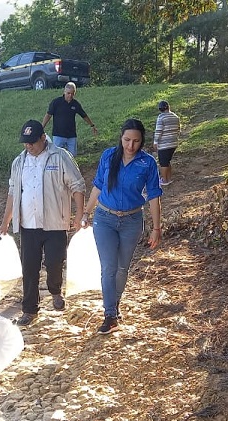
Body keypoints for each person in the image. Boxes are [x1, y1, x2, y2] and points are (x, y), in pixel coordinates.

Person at [0, 120, 86, 326]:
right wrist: (5, 222)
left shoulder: (61, 157)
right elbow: (13, 193)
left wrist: (79, 213)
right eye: (25, 143)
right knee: (29, 268)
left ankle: (55, 290)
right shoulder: (19, 162)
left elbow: (77, 185)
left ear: (43, 138)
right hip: (28, 225)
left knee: (55, 262)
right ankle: (29, 309)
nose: (28, 146)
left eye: (32, 142)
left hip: (56, 223)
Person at [82, 118, 163, 335]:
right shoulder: (109, 156)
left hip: (132, 221)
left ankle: (115, 303)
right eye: (127, 140)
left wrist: (156, 228)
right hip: (104, 218)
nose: (130, 146)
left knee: (122, 268)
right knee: (108, 267)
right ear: (121, 137)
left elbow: (154, 196)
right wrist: (85, 212)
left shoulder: (147, 163)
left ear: (141, 141)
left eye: (136, 141)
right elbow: (98, 186)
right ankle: (109, 314)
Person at [41, 82, 97, 157]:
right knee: (56, 156)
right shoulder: (56, 102)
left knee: (72, 156)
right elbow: (48, 115)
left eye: (72, 93)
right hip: (58, 134)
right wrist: (41, 128)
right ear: (64, 92)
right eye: (68, 93)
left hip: (71, 135)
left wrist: (92, 125)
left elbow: (84, 115)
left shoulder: (75, 104)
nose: (70, 95)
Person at [153, 100, 181, 186]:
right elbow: (178, 129)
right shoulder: (175, 117)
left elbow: (158, 131)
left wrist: (155, 142)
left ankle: (164, 180)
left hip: (164, 144)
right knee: (167, 161)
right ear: (168, 107)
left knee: (163, 163)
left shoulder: (161, 117)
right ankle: (168, 178)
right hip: (173, 143)